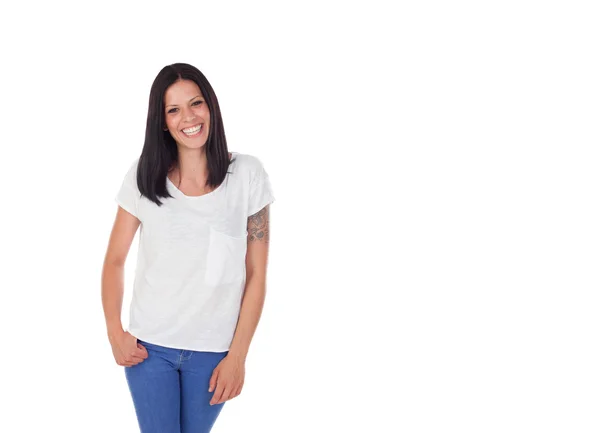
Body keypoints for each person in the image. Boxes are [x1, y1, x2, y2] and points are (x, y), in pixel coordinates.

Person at [101, 63, 275, 433]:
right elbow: (115, 261)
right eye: (174, 109)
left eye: (196, 104)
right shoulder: (143, 176)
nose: (189, 118)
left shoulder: (247, 175)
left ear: (210, 106)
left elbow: (257, 274)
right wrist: (115, 332)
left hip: (214, 353)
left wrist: (238, 356)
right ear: (163, 121)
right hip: (149, 349)